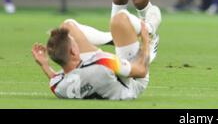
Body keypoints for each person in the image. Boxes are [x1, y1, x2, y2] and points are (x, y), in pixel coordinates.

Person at [31, 8, 161, 100]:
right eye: (74, 42)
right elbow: (141, 71)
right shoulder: (104, 61)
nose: (76, 42)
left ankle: (115, 38)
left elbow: (55, 78)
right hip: (131, 81)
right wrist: (145, 42)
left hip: (92, 71)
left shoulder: (60, 87)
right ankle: (150, 29)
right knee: (120, 19)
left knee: (67, 27)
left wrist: (44, 64)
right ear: (73, 51)